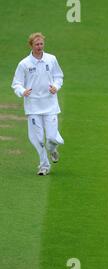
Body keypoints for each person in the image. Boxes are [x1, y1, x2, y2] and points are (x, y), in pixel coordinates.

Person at [11, 32, 64, 175]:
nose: (40, 47)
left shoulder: (51, 59)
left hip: (50, 104)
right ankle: (44, 166)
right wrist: (22, 91)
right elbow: (16, 83)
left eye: (41, 44)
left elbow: (59, 76)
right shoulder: (24, 64)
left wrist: (56, 86)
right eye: (37, 44)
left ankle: (53, 150)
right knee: (38, 139)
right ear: (31, 45)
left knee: (52, 137)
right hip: (33, 106)